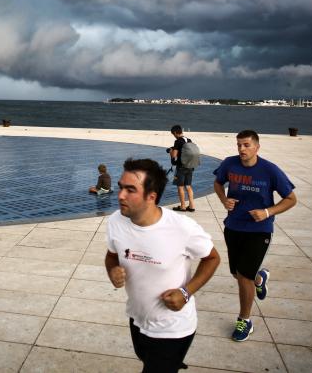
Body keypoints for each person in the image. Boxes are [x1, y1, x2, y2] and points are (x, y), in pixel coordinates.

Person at [106, 158, 220, 372]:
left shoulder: (182, 228)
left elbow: (212, 258)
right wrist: (112, 270)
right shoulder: (115, 221)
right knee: (145, 358)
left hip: (173, 328)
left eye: (130, 190)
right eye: (121, 187)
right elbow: (111, 256)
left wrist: (186, 293)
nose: (120, 195)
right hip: (137, 318)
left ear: (151, 196)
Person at [213, 130, 297, 342]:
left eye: (246, 145)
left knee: (244, 277)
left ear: (257, 147)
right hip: (233, 226)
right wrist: (224, 200)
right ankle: (260, 278)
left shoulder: (270, 170)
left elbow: (291, 199)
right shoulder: (229, 164)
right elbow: (217, 183)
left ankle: (245, 320)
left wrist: (267, 212)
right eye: (239, 145)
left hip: (259, 230)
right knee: (237, 274)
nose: (241, 149)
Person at [169, 125, 196, 212]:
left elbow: (174, 156)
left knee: (180, 187)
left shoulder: (177, 141)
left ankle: (183, 206)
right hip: (190, 166)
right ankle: (191, 206)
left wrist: (171, 152)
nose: (174, 136)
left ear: (175, 133)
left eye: (173, 134)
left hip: (181, 167)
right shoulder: (189, 140)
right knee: (188, 186)